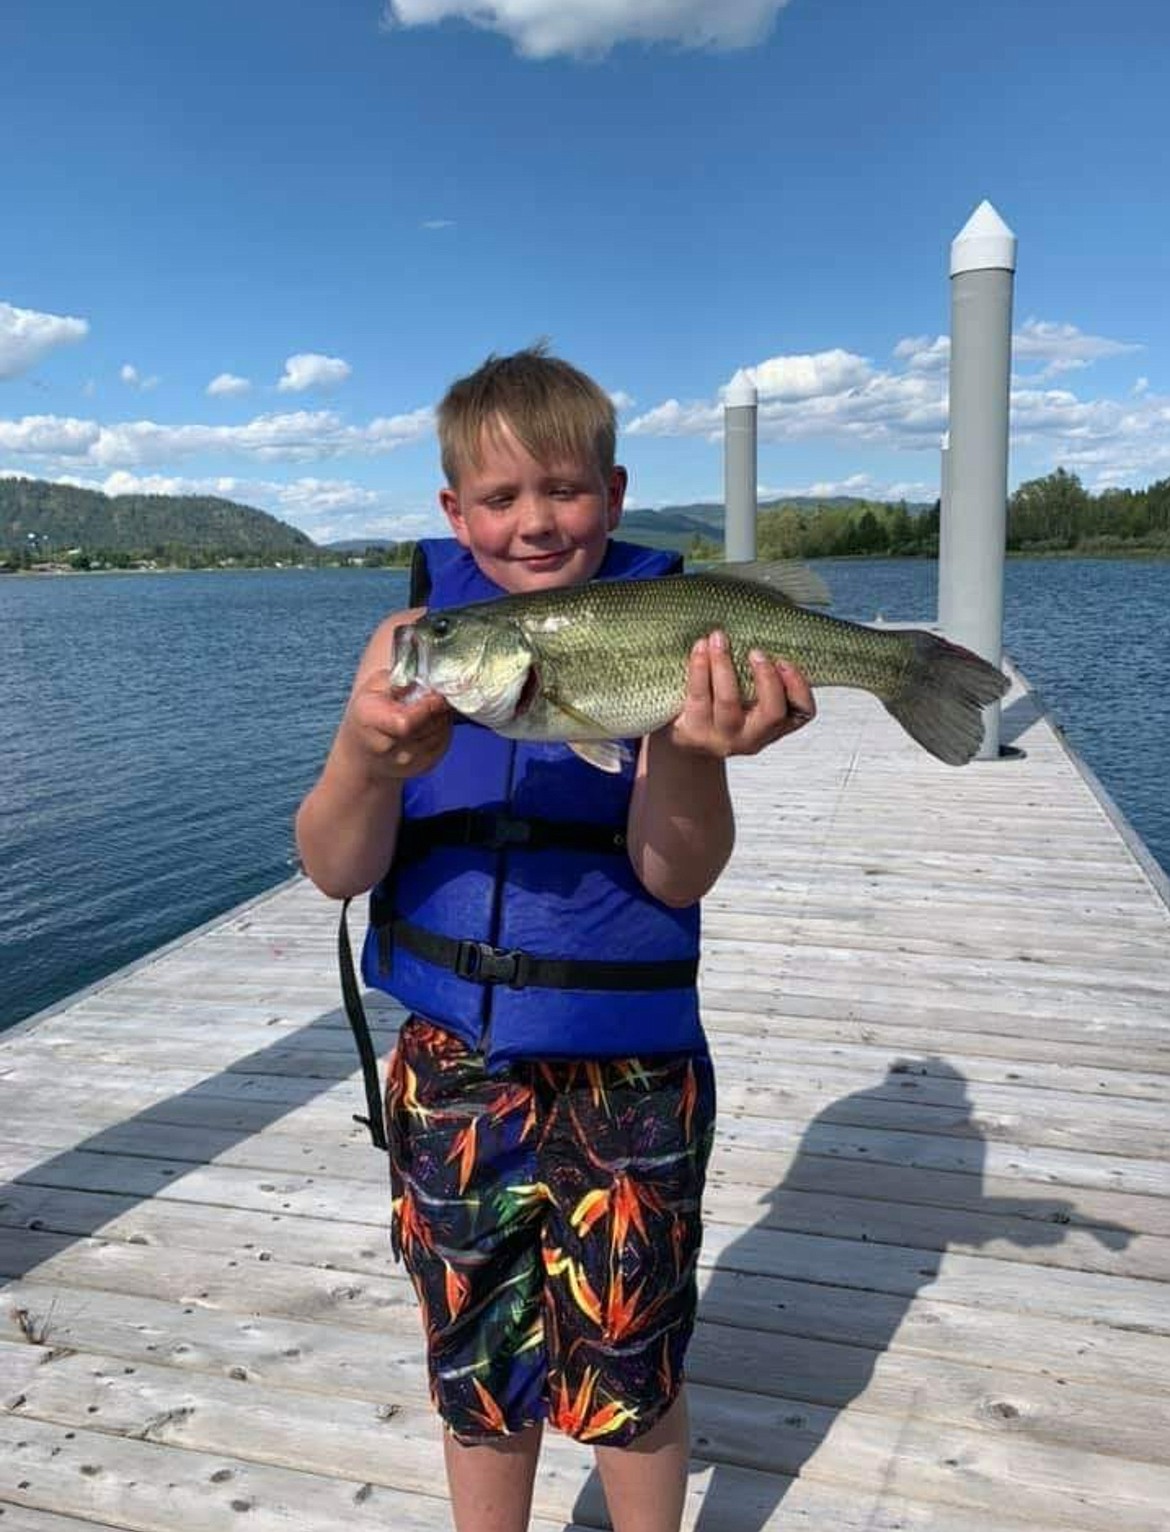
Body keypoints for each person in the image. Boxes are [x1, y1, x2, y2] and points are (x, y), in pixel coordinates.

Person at [295, 346, 816, 1532]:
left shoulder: (676, 644)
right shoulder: (407, 647)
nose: (536, 522)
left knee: (631, 1371)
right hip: (453, 1074)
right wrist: (361, 763)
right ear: (452, 513)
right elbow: (336, 864)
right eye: (500, 498)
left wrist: (686, 746)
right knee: (481, 1373)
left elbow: (677, 871)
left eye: (566, 490)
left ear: (617, 494)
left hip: (629, 1070)